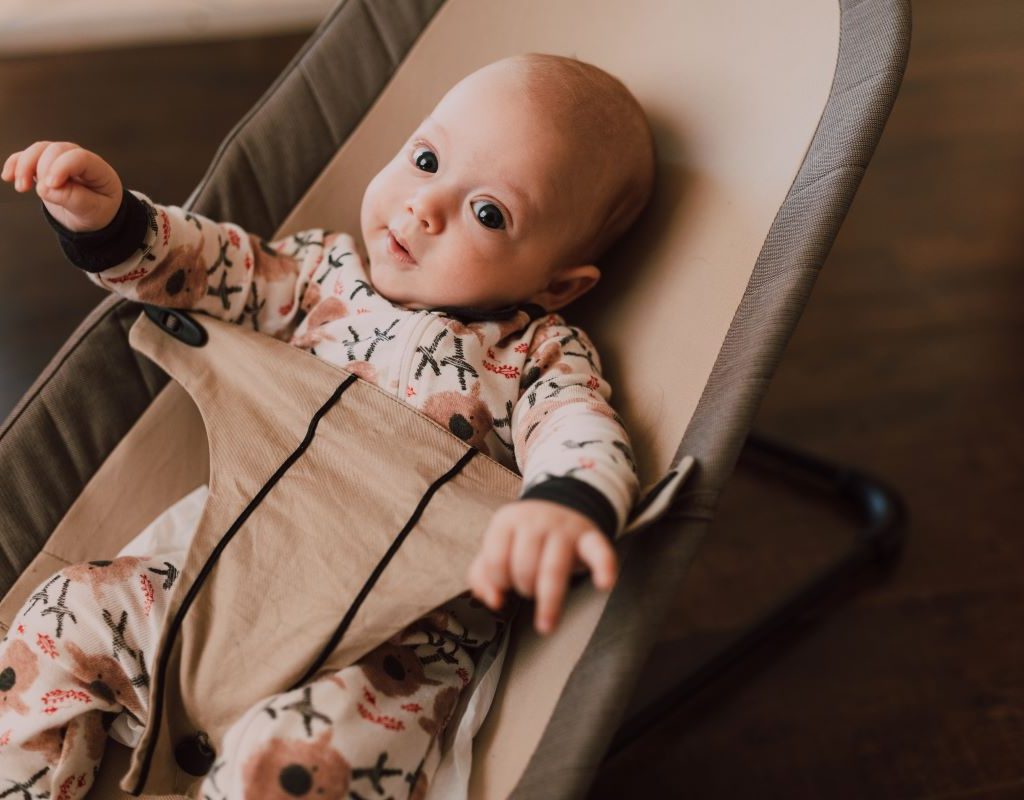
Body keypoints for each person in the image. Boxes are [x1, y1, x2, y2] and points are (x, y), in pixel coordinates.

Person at [0, 53, 655, 798]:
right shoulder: (318, 276)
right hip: (221, 579)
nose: (422, 208)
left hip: (388, 646)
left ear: (556, 285)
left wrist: (565, 502)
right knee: (66, 609)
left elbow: (581, 429)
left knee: (303, 763)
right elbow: (202, 266)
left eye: (489, 213)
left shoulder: (534, 354)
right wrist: (113, 221)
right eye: (427, 159)